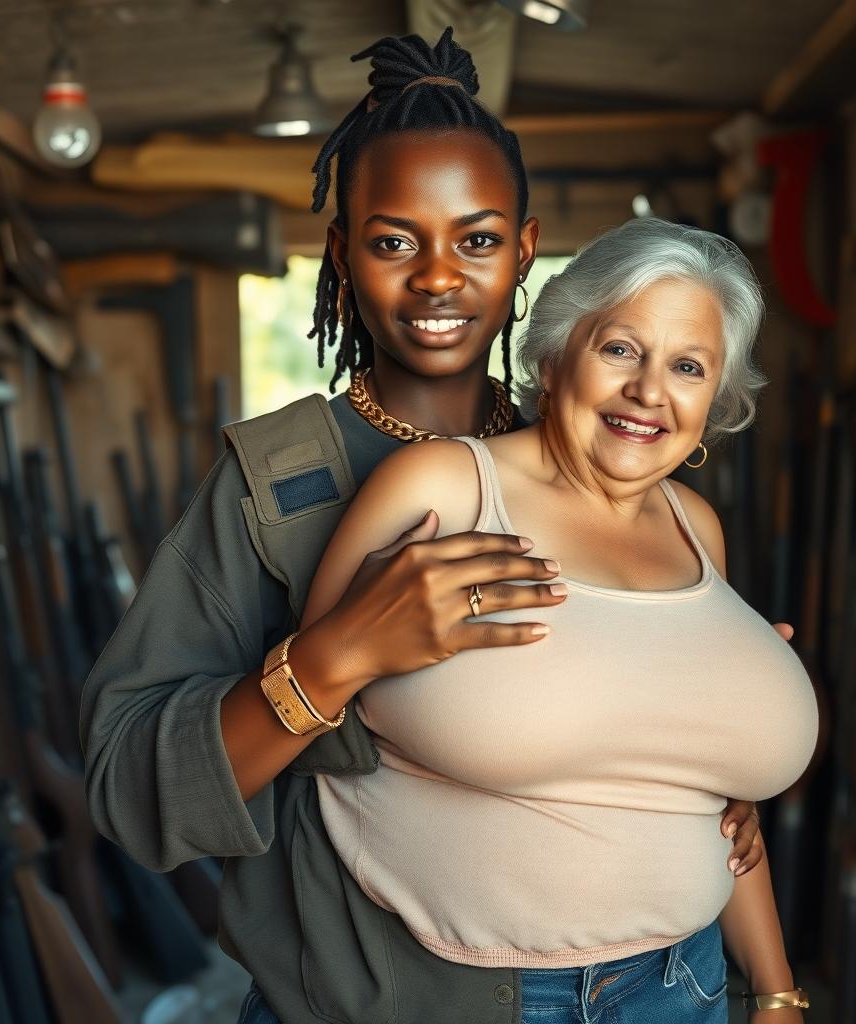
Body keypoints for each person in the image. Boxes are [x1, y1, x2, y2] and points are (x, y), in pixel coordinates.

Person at [80, 30, 774, 1024]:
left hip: (662, 984)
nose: (437, 278)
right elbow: (122, 782)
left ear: (526, 249)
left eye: (478, 239)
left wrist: (706, 731)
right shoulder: (276, 484)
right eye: (394, 239)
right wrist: (331, 659)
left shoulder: (598, 457)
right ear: (342, 252)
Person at [299, 216, 818, 1023]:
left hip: (683, 986)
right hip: (464, 997)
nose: (649, 391)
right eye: (620, 349)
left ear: (713, 401)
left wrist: (777, 987)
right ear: (554, 352)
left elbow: (714, 809)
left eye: (688, 366)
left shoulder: (696, 527)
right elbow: (304, 705)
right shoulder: (441, 488)